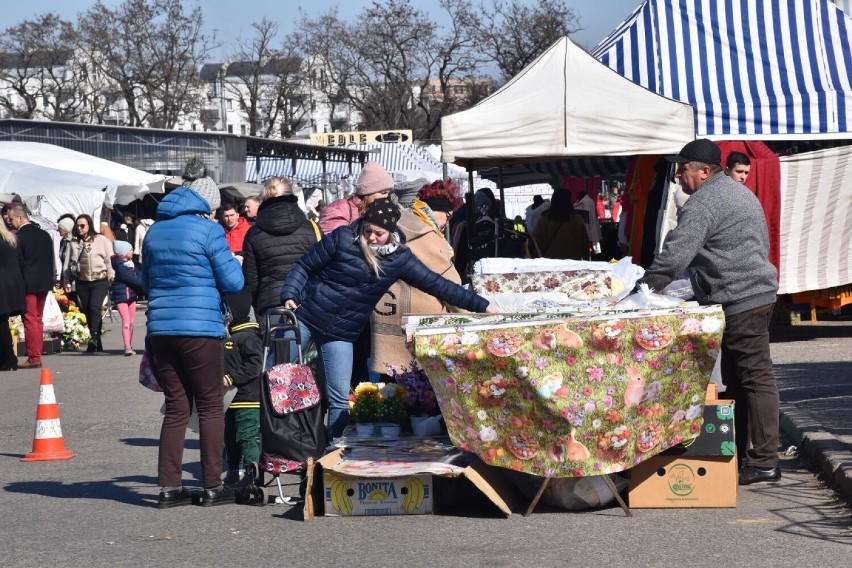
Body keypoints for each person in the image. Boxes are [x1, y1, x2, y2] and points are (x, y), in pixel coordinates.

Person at [281, 197, 498, 439]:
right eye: (367, 231)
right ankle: (270, 445)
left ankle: (332, 454)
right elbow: (303, 265)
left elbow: (438, 285)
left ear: (391, 232)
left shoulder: (400, 259)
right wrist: (290, 294)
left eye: (378, 233)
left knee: (340, 399)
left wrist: (483, 305)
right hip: (305, 318)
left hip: (340, 333)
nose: (371, 238)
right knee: (275, 379)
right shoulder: (343, 238)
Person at [635, 139, 780, 486]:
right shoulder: (735, 192)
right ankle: (746, 455)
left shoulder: (705, 202)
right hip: (751, 293)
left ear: (702, 171)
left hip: (742, 297)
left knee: (755, 378)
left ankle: (764, 461)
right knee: (740, 379)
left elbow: (675, 255)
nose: (678, 178)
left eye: (681, 171)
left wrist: (641, 288)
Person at [142, 171, 244, 508]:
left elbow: (146, 280)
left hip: (161, 329)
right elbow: (233, 282)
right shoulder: (209, 230)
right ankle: (213, 485)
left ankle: (169, 487)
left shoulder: (154, 232)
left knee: (176, 407)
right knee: (211, 404)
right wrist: (234, 261)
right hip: (200, 328)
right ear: (208, 207)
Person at [370, 179, 466, 376]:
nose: (448, 220)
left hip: (386, 318)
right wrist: (473, 314)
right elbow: (449, 284)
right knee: (419, 392)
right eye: (448, 214)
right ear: (432, 210)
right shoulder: (425, 234)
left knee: (392, 390)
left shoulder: (389, 226)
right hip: (420, 329)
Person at [241, 177, 320, 325]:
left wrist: (259, 304)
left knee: (274, 348)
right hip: (308, 303)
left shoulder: (253, 234)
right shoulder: (312, 228)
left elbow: (251, 278)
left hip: (271, 305)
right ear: (291, 195)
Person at [221, 288, 263, 485]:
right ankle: (233, 468)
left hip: (248, 398)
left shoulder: (248, 336)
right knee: (230, 437)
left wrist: (231, 378)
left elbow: (254, 365)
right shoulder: (230, 336)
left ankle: (252, 472)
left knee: (246, 437)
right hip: (229, 399)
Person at [7, 205, 55, 369]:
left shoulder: (18, 238)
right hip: (44, 282)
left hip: (28, 284)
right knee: (38, 319)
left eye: (12, 219)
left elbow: (18, 263)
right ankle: (37, 353)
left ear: (20, 218)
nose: (11, 223)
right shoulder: (45, 235)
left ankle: (34, 357)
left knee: (29, 320)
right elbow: (50, 259)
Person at [63, 214, 114, 353]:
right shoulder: (73, 243)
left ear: (89, 225)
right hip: (82, 281)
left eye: (82, 225)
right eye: (77, 226)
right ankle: (97, 340)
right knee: (88, 311)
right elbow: (67, 264)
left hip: (100, 280)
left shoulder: (101, 240)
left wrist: (112, 276)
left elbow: (110, 260)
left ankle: (93, 338)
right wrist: (66, 280)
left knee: (94, 307)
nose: (79, 228)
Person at [318, 160, 393, 234]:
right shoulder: (339, 209)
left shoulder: (378, 211)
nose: (387, 197)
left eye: (389, 193)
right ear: (368, 193)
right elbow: (334, 242)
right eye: (383, 193)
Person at [532, 188, 591, 260]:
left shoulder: (544, 220)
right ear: (569, 201)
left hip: (550, 264)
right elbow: (585, 244)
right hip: (573, 263)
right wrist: (586, 260)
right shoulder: (578, 220)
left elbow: (537, 244)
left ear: (553, 200)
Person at [0, 219, 27, 371]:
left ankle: (9, 358)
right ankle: (8, 358)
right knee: (3, 322)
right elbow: (21, 262)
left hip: (2, 285)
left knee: (1, 323)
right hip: (13, 283)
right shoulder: (12, 240)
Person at [110, 241, 143, 356]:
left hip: (132, 297)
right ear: (123, 252)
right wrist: (146, 284)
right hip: (121, 297)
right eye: (130, 250)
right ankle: (127, 347)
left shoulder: (133, 265)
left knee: (132, 322)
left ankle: (129, 344)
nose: (132, 252)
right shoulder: (120, 266)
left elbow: (139, 275)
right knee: (126, 322)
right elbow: (132, 278)